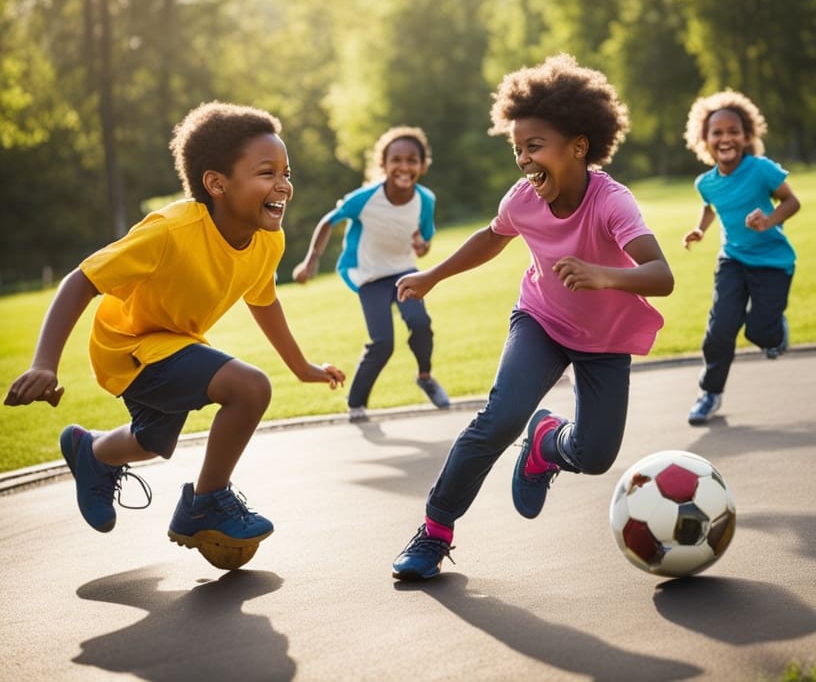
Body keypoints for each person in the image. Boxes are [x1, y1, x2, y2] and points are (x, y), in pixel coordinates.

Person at [4, 101, 346, 564]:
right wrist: (44, 363)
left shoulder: (269, 239)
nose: (283, 184)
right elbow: (81, 280)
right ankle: (204, 504)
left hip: (176, 341)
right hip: (127, 346)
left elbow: (263, 300)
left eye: (287, 172)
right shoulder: (170, 231)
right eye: (267, 172)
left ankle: (93, 450)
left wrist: (302, 367)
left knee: (151, 444)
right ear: (216, 183)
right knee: (248, 388)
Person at [390, 53, 674, 580]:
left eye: (535, 146)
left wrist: (603, 275)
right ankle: (434, 532)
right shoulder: (523, 199)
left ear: (579, 146)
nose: (523, 159)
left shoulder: (613, 203)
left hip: (604, 339)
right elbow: (490, 239)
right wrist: (433, 277)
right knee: (498, 419)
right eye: (517, 148)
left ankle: (546, 442)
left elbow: (662, 276)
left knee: (593, 456)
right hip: (541, 321)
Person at [292, 125, 449, 423]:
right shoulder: (364, 198)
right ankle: (356, 404)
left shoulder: (425, 200)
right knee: (382, 342)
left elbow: (424, 245)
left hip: (404, 272)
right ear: (384, 164)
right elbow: (328, 221)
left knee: (420, 322)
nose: (404, 167)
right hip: (369, 276)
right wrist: (311, 260)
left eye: (412, 160)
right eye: (396, 160)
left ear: (422, 165)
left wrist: (421, 245)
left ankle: (425, 377)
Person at [681, 90, 801, 426]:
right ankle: (710, 394)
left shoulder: (761, 169)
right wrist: (700, 230)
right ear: (704, 140)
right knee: (720, 328)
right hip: (732, 260)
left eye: (733, 131)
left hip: (772, 263)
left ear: (746, 136)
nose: (725, 138)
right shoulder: (705, 183)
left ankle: (775, 334)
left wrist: (769, 220)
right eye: (717, 132)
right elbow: (710, 208)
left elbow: (792, 202)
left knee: (760, 333)